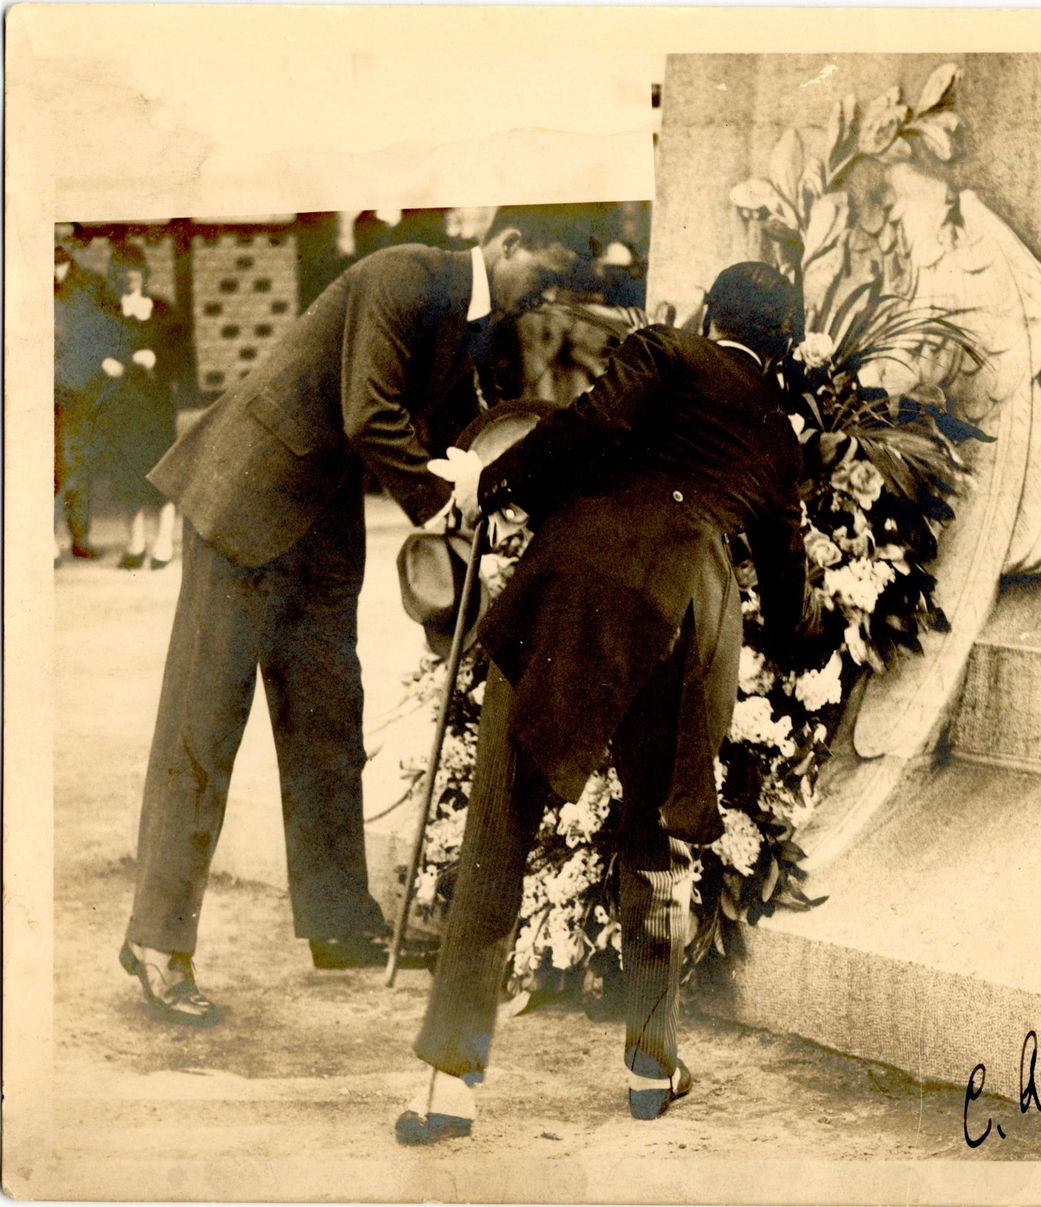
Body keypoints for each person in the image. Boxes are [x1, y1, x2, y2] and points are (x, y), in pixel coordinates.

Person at [120, 206, 594, 1028]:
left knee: (330, 722)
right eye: (542, 277)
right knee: (203, 727)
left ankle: (340, 924)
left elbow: (455, 431)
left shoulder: (470, 320)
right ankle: (157, 941)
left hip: (322, 528)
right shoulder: (407, 275)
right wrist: (447, 504)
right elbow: (368, 415)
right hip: (244, 505)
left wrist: (513, 493)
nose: (542, 298)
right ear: (506, 243)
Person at [393, 262, 815, 1144]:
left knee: (499, 826)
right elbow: (785, 592)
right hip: (683, 619)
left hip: (575, 589)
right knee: (654, 836)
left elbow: (586, 430)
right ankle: (650, 1066)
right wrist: (802, 639)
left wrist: (488, 484)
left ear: (709, 313)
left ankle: (447, 1087)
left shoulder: (665, 351)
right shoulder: (778, 433)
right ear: (782, 347)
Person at [99, 243, 185, 570]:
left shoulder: (162, 310)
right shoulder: (108, 312)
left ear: (144, 273)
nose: (129, 276)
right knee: (127, 472)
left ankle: (163, 541)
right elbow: (96, 348)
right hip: (123, 405)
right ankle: (135, 542)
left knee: (160, 470)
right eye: (122, 270)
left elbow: (182, 357)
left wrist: (157, 361)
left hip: (156, 404)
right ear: (116, 275)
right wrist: (107, 362)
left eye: (135, 269)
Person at [54, 237, 121, 562]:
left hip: (78, 392)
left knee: (77, 463)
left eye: (62, 237)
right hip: (30, 391)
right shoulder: (16, 274)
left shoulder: (91, 285)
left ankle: (80, 536)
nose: (55, 243)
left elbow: (108, 332)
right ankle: (43, 541)